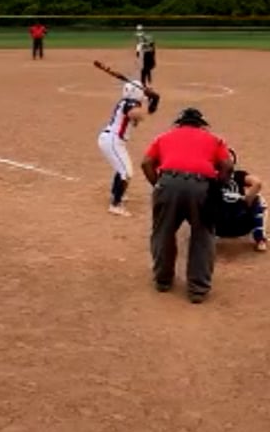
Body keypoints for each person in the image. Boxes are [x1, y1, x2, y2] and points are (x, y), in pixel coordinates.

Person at [140, 106, 234, 304]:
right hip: (201, 186)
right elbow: (227, 165)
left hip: (168, 183)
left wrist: (158, 184)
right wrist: (217, 187)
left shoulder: (164, 137)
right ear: (201, 125)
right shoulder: (214, 139)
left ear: (179, 123)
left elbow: (146, 162)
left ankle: (163, 280)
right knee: (203, 235)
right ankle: (198, 289)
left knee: (163, 232)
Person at [98, 80, 148, 216]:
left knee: (123, 169)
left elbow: (136, 120)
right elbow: (137, 115)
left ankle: (116, 194)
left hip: (114, 141)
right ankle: (115, 205)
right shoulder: (129, 103)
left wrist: (151, 101)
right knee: (126, 172)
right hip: (112, 140)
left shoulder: (129, 103)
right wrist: (150, 100)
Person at [207, 148, 269, 252]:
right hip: (241, 227)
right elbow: (257, 183)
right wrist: (247, 200)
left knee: (197, 200)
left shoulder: (209, 177)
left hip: (218, 229)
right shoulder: (239, 175)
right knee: (259, 200)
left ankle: (202, 238)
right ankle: (260, 240)